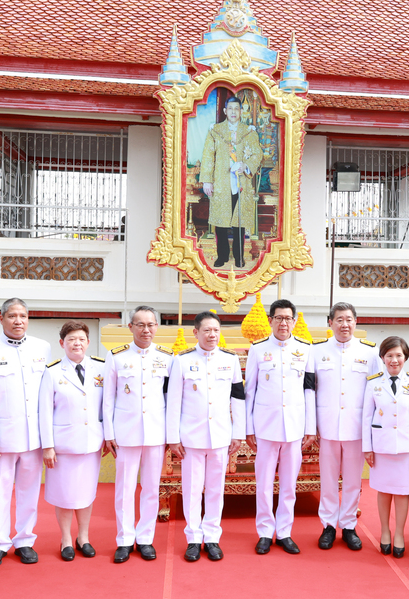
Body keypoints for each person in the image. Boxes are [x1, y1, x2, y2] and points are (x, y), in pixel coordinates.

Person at [0, 298, 51, 568]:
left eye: (23, 316)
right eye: (13, 316)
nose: (18, 321)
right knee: (0, 492)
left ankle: (25, 540)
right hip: (2, 439)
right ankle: (0, 542)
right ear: (1, 319)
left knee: (29, 492)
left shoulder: (42, 348)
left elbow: (46, 395)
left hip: (34, 438)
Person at [166, 311, 245, 562]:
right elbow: (173, 401)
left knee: (215, 489)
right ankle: (193, 538)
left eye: (216, 331)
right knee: (191, 489)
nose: (212, 335)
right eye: (207, 330)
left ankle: (212, 537)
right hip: (191, 437)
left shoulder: (230, 360)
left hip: (221, 435)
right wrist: (173, 437)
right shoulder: (181, 361)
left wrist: (238, 433)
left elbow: (238, 399)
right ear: (196, 333)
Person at [103, 305, 173, 563]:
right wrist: (108, 432)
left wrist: (170, 434)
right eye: (140, 324)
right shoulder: (117, 356)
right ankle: (124, 539)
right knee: (124, 488)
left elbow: (171, 398)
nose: (146, 329)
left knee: (151, 488)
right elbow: (107, 399)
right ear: (130, 327)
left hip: (156, 433)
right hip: (126, 433)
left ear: (157, 327)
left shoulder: (167, 357)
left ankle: (145, 538)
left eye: (151, 324)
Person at [245, 299, 315, 555]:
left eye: (288, 318)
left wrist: (311, 427)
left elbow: (309, 390)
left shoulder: (306, 350)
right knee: (263, 484)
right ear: (271, 320)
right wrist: (248, 428)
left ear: (294, 321)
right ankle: (264, 531)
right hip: (265, 427)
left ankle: (284, 531)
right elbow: (249, 391)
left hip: (294, 428)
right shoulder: (257, 349)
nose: (283, 322)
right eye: (279, 318)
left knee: (289, 484)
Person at [311, 302, 380, 551]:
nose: (344, 324)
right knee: (328, 480)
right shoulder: (316, 351)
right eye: (339, 319)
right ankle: (328, 525)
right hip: (327, 428)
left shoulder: (370, 353)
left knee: (352, 481)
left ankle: (349, 525)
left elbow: (377, 391)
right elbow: (311, 390)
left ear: (356, 322)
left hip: (356, 428)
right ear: (330, 323)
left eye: (349, 319)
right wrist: (312, 426)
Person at [38, 321, 106, 562]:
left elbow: (106, 407)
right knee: (65, 495)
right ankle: (66, 538)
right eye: (71, 340)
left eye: (81, 339)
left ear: (88, 342)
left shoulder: (101, 369)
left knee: (86, 494)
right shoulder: (53, 372)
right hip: (63, 446)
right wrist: (47, 446)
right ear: (62, 343)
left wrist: (108, 436)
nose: (76, 343)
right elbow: (44, 411)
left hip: (91, 443)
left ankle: (84, 538)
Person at [362, 336, 409, 558]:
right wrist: (367, 447)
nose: (394, 360)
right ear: (382, 358)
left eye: (398, 355)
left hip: (407, 448)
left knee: (401, 492)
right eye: (389, 355)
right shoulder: (373, 383)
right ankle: (385, 532)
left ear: (405, 357)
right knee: (383, 491)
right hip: (381, 447)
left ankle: (399, 533)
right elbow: (366, 416)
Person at [201, 94, 263, 268]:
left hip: (240, 182)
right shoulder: (215, 130)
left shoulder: (248, 132)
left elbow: (257, 153)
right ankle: (222, 257)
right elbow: (208, 156)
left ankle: (239, 257)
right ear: (224, 111)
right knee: (221, 223)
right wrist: (207, 180)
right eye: (230, 109)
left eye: (237, 109)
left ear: (241, 111)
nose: (234, 112)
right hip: (221, 182)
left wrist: (246, 165)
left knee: (239, 223)